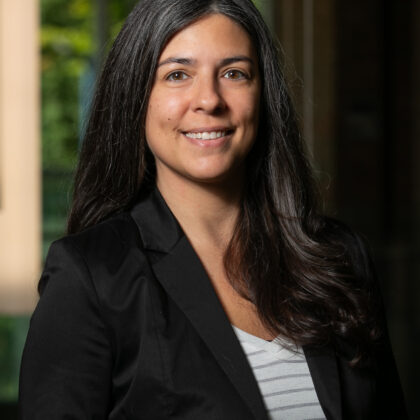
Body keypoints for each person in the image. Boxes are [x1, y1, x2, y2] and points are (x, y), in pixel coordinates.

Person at [19, 0, 407, 419]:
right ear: (136, 98)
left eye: (234, 73)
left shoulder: (340, 257)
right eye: (177, 75)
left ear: (263, 95)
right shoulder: (92, 277)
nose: (208, 99)